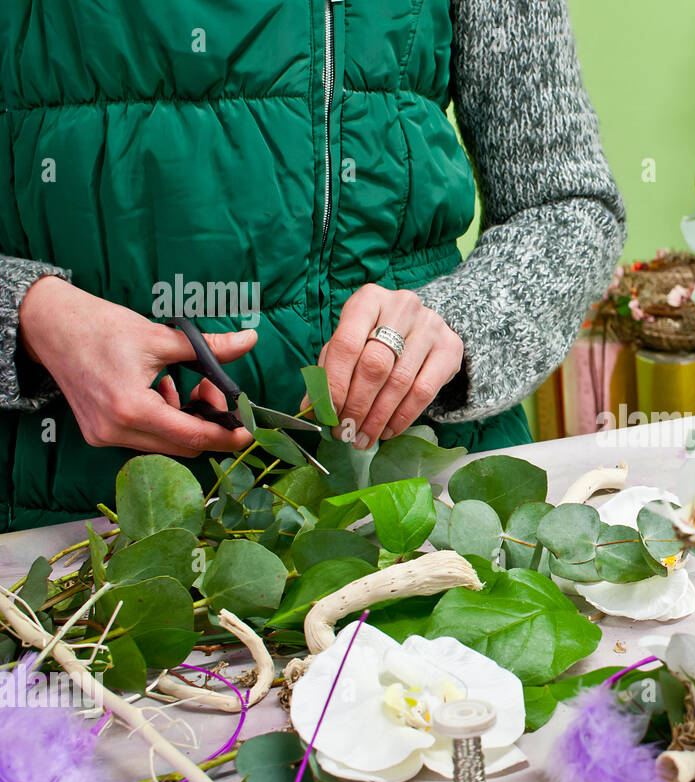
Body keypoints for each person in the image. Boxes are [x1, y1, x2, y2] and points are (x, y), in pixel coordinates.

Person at [0, 0, 625, 531]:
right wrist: (31, 317)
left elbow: (567, 204)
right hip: (75, 528)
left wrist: (459, 323)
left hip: (422, 504)